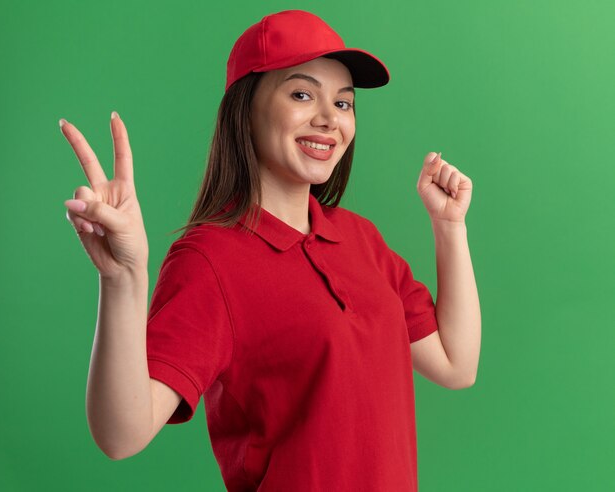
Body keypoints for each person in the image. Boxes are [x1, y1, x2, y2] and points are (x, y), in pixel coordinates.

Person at [61, 9, 480, 491]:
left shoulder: (360, 239)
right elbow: (121, 434)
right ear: (246, 109)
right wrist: (121, 279)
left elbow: (456, 364)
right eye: (302, 94)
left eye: (344, 104)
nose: (329, 120)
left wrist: (449, 227)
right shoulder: (210, 259)